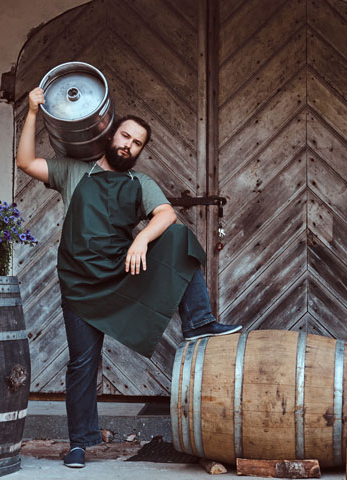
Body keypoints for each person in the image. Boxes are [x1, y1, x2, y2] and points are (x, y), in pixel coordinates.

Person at [16, 87, 242, 468]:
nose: (129, 146)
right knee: (82, 363)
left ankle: (199, 322)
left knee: (178, 237)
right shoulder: (74, 170)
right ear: (110, 134)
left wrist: (141, 238)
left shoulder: (141, 183)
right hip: (81, 284)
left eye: (137, 143)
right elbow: (25, 162)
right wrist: (33, 113)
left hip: (122, 275)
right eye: (126, 137)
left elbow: (166, 215)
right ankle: (80, 442)